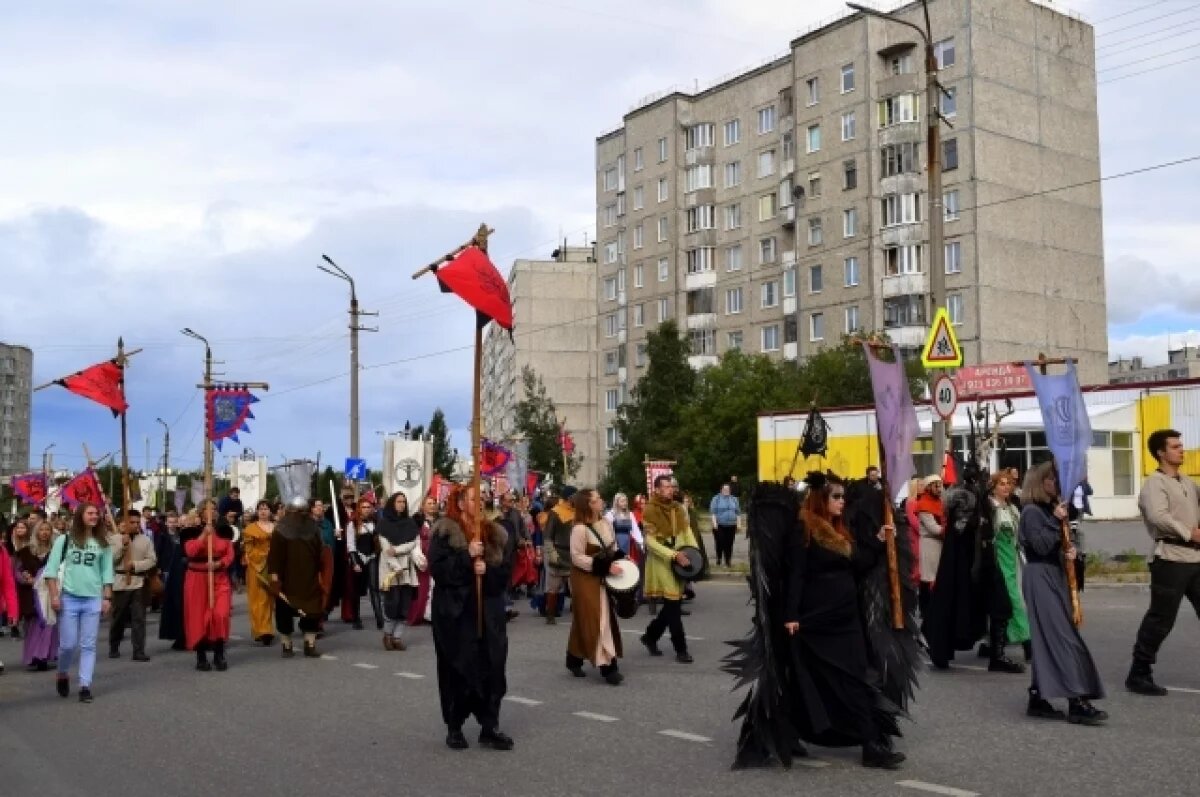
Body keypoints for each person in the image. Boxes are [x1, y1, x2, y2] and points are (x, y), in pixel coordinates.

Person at [729, 475, 906, 769]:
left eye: (843, 497)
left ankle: (868, 743)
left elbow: (858, 564)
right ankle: (865, 744)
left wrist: (879, 541)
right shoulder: (805, 530)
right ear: (821, 500)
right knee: (811, 677)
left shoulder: (840, 531)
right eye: (836, 497)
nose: (841, 502)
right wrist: (791, 615)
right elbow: (796, 575)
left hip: (846, 618)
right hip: (818, 619)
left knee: (856, 677)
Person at [1019, 461, 1107, 724]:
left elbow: (1055, 545)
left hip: (1054, 574)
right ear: (1040, 482)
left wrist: (1070, 552)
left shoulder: (1050, 510)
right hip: (1039, 576)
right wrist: (1055, 523)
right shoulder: (1032, 512)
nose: (1057, 483)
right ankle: (1076, 699)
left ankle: (1038, 695)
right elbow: (1040, 545)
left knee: (1051, 637)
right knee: (1062, 637)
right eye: (1053, 479)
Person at [430, 485, 514, 751]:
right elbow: (439, 571)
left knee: (493, 666)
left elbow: (505, 574)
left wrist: (486, 570)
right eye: (473, 498)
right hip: (457, 612)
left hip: (489, 612)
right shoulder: (445, 532)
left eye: (482, 498)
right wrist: (467, 557)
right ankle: (454, 727)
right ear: (460, 503)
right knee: (458, 668)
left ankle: (490, 727)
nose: (479, 502)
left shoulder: (494, 533)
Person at [1127, 429, 1200, 696]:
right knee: (1161, 619)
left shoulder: (1187, 482)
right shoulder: (1154, 484)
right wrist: (1189, 533)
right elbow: (1158, 517)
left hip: (1196, 558)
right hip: (1170, 558)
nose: (1182, 450)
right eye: (1175, 447)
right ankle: (1139, 672)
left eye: (1181, 445)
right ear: (1160, 452)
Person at [44, 503, 114, 703]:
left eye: (96, 513)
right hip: (69, 598)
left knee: (88, 645)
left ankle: (85, 685)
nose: (94, 516)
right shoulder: (65, 540)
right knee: (67, 645)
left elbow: (107, 573)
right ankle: (62, 672)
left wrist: (107, 598)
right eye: (90, 513)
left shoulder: (103, 543)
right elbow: (51, 571)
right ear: (80, 516)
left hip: (93, 599)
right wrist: (55, 596)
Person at [567, 489, 626, 685]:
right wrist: (605, 566)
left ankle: (573, 658)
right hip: (584, 577)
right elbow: (577, 557)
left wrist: (621, 559)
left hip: (602, 574)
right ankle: (608, 667)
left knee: (587, 619)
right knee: (598, 618)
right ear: (588, 505)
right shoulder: (579, 529)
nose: (601, 501)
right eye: (597, 499)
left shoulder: (605, 523)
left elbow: (612, 548)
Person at [639, 474, 697, 663]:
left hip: (680, 560)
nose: (671, 489)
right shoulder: (650, 510)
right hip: (662, 561)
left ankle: (650, 636)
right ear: (656, 489)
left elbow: (686, 532)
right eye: (666, 487)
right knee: (673, 605)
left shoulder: (678, 508)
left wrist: (694, 554)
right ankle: (681, 649)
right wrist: (673, 555)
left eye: (672, 486)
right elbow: (650, 542)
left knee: (673, 605)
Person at [269, 497, 326, 658]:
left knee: (312, 611)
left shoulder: (313, 529)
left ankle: (310, 643)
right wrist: (275, 578)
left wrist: (323, 574)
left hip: (310, 578)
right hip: (287, 579)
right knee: (284, 612)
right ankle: (286, 644)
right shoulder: (281, 530)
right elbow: (274, 556)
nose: (299, 514)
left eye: (302, 511)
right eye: (296, 511)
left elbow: (321, 553)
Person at [183, 500, 235, 672]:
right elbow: (190, 551)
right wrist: (204, 535)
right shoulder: (191, 531)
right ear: (200, 512)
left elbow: (229, 554)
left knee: (221, 614)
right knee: (199, 618)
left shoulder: (224, 531)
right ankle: (201, 657)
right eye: (207, 509)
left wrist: (220, 563)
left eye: (214, 508)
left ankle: (219, 654)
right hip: (197, 578)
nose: (211, 511)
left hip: (219, 578)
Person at [988, 472, 1031, 667]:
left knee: (1016, 600)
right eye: (1002, 484)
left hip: (1013, 560)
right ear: (993, 487)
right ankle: (1027, 643)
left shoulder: (1012, 508)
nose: (1006, 487)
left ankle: (997, 644)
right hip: (998, 561)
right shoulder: (990, 508)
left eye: (1009, 484)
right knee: (1012, 601)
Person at [107, 509, 157, 662]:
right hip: (120, 582)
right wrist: (122, 547)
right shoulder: (114, 539)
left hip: (138, 582)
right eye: (132, 522)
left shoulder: (145, 540)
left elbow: (152, 560)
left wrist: (136, 565)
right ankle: (114, 645)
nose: (135, 525)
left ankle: (138, 650)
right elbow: (109, 560)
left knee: (139, 618)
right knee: (118, 617)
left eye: (137, 522)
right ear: (125, 522)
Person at [376, 491, 420, 651]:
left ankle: (397, 637)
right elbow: (386, 548)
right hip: (390, 569)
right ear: (392, 503)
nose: (402, 504)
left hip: (407, 569)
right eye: (399, 501)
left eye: (403, 502)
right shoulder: (384, 524)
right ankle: (388, 634)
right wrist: (396, 566)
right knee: (391, 604)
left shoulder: (410, 523)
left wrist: (397, 549)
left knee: (404, 605)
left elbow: (413, 543)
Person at [15, 521, 59, 670]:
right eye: (41, 530)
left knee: (48, 623)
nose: (45, 533)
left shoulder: (56, 551)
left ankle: (43, 656)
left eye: (47, 530)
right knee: (33, 625)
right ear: (36, 532)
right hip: (31, 594)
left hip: (50, 592)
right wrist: (25, 578)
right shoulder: (25, 552)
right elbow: (17, 570)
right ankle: (33, 656)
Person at [159, 511, 199, 651]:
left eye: (187, 524)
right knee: (178, 605)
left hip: (195, 574)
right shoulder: (178, 538)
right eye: (182, 524)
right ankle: (181, 636)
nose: (184, 526)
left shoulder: (197, 537)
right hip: (178, 576)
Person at [241, 500, 276, 645]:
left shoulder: (276, 528)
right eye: (261, 509)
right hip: (256, 567)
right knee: (257, 600)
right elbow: (249, 550)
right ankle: (260, 631)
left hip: (273, 567)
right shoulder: (250, 529)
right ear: (257, 511)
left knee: (269, 599)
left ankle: (267, 628)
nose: (263, 511)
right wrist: (264, 557)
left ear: (270, 511)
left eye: (266, 508)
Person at [347, 497, 382, 631]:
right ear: (359, 509)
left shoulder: (376, 522)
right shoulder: (353, 524)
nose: (366, 510)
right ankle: (356, 619)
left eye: (368, 507)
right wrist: (355, 562)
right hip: (358, 557)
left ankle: (379, 618)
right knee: (356, 590)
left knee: (374, 588)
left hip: (372, 557)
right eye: (364, 507)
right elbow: (351, 545)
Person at [542, 487, 576, 625]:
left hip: (573, 555)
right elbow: (548, 536)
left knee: (576, 589)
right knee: (553, 588)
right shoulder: (555, 512)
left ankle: (579, 615)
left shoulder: (578, 512)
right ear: (569, 497)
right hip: (559, 552)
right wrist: (552, 553)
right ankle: (550, 614)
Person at [913, 475, 944, 617]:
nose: (939, 489)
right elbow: (934, 529)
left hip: (940, 544)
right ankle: (926, 610)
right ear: (928, 487)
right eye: (935, 485)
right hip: (929, 544)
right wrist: (950, 530)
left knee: (937, 577)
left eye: (940, 485)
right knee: (928, 577)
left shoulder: (940, 502)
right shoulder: (924, 504)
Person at [408, 495, 438, 626]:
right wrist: (419, 557)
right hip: (423, 557)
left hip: (436, 557)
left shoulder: (440, 521)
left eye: (434, 503)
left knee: (435, 586)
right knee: (423, 587)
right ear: (423, 506)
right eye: (429, 503)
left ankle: (431, 614)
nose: (432, 506)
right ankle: (420, 613)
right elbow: (414, 541)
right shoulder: (417, 521)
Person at [709, 484, 740, 568]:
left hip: (731, 525)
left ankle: (728, 560)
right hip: (719, 525)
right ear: (721, 490)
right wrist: (715, 524)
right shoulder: (716, 498)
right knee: (720, 542)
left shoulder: (734, 499)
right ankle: (719, 558)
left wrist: (739, 524)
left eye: (728, 489)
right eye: (725, 489)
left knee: (729, 543)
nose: (726, 491)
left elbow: (738, 512)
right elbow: (713, 512)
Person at [605, 493, 641, 557]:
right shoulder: (611, 514)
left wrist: (640, 541)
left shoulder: (630, 514)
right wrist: (612, 545)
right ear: (616, 502)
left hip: (628, 542)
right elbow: (607, 531)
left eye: (626, 501)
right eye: (622, 501)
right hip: (615, 542)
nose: (625, 503)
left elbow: (635, 529)